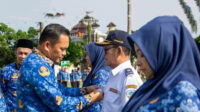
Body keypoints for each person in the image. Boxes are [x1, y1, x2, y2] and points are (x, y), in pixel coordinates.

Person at [17, 24, 103, 112]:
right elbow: (60, 104)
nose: (64, 53)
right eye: (62, 49)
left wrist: (85, 90)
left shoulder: (40, 61)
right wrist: (91, 98)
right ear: (47, 45)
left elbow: (59, 89)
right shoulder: (37, 65)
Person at [122, 16, 200, 112]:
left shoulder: (183, 93)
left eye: (143, 55)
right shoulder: (151, 86)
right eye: (136, 55)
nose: (138, 62)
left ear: (166, 52)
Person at [96, 30, 143, 112]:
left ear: (118, 51)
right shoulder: (115, 74)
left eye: (106, 50)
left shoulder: (129, 78)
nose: (103, 54)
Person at [0, 39, 33, 112]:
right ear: (16, 53)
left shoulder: (37, 72)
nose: (23, 56)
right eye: (20, 53)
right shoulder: (6, 71)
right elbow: (1, 92)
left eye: (26, 54)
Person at [82, 42, 110, 112]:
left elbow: (97, 101)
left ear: (95, 55)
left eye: (88, 55)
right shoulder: (96, 71)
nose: (86, 58)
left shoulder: (101, 73)